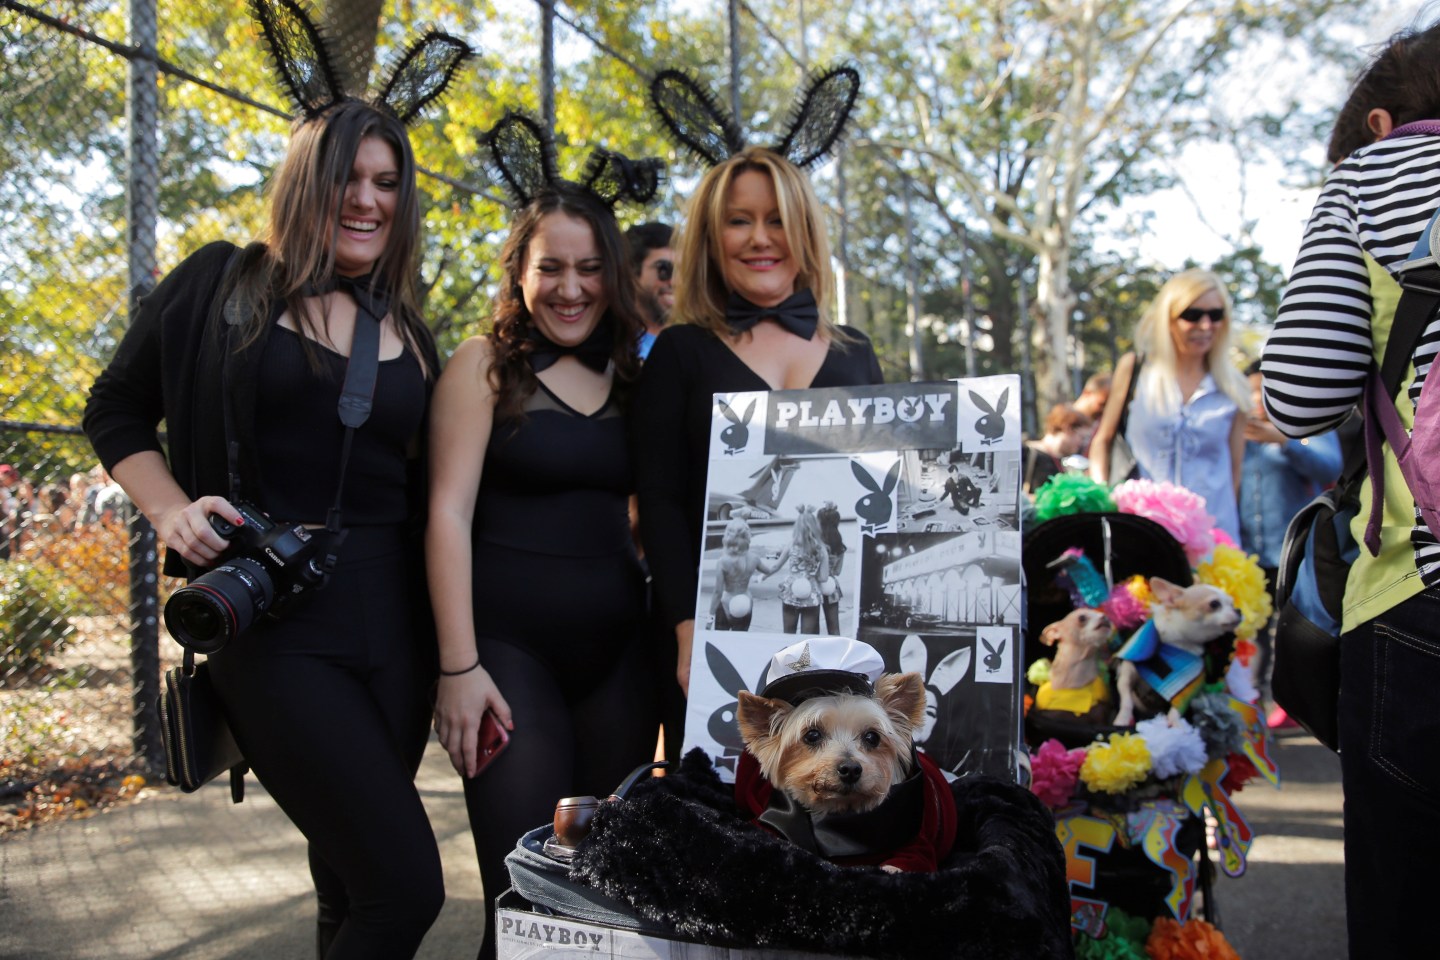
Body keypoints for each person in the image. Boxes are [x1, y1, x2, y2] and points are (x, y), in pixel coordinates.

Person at [82, 12, 471, 956]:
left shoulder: (409, 331)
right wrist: (170, 510)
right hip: (274, 619)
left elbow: (435, 498)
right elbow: (115, 408)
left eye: (388, 183)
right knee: (406, 891)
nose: (369, 200)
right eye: (350, 178)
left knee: (345, 885)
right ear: (308, 181)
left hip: (397, 628)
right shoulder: (222, 283)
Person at [426, 120, 658, 960]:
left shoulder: (638, 376)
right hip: (505, 663)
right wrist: (457, 669)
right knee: (524, 903)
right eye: (550, 268)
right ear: (520, 272)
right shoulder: (484, 365)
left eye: (590, 267)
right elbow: (445, 514)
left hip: (617, 664)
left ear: (613, 274)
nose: (571, 288)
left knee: (601, 900)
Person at [1260, 20, 1440, 957]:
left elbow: (1298, 394)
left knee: (1410, 906)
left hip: (1421, 600)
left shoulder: (1374, 177)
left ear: (1381, 120)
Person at [632, 143, 884, 698]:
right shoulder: (679, 351)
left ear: (805, 231)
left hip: (844, 642)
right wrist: (687, 627)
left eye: (777, 220)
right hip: (707, 637)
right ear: (710, 239)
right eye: (739, 221)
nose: (760, 238)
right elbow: (661, 502)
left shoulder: (857, 354)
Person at [1088, 268, 1249, 541]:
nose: (1206, 325)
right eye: (1193, 315)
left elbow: (1235, 469)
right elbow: (1102, 441)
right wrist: (1100, 499)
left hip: (1211, 534)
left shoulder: (1234, 385)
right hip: (1141, 529)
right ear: (1169, 318)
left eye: (1216, 315)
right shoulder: (1136, 369)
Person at [1238, 359, 1341, 722]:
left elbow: (1330, 467)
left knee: (1297, 631)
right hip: (1247, 553)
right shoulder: (1238, 431)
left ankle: (1294, 702)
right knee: (1252, 633)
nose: (1257, 399)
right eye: (1251, 390)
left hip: (1296, 551)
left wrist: (1285, 441)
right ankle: (1251, 705)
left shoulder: (1306, 425)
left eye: (1264, 391)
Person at [626, 221, 675, 360]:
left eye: (683, 272)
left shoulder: (690, 348)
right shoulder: (610, 349)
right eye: (664, 269)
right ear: (631, 272)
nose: (676, 282)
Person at [1024, 403, 1093, 495]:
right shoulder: (1027, 453)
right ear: (1067, 429)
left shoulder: (1065, 462)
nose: (1082, 443)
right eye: (1081, 437)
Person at [816, 500, 847, 635]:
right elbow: (838, 571)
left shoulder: (816, 544)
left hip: (815, 586)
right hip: (832, 586)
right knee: (834, 628)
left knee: (812, 628)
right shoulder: (840, 545)